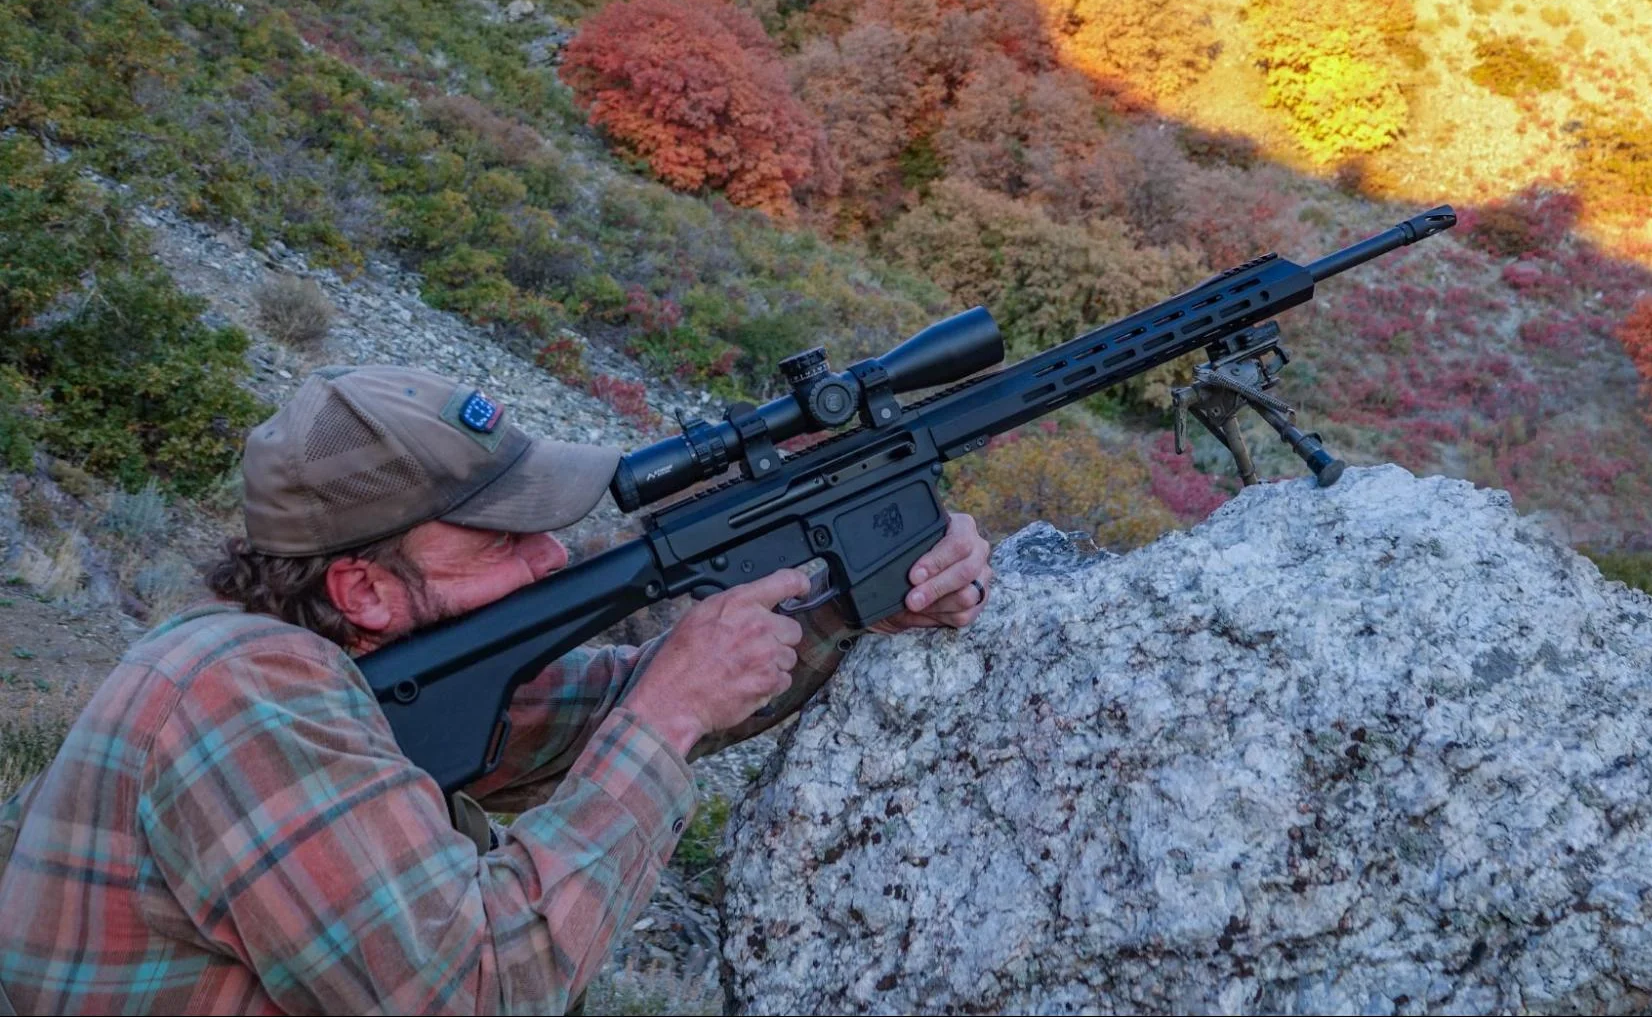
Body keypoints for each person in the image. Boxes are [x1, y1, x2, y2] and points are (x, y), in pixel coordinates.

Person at [0, 365, 993, 1014]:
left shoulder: (336, 675)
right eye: (501, 539)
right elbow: (474, 988)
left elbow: (590, 715)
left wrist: (853, 599)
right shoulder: (244, 693)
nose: (551, 555)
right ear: (363, 588)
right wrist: (670, 714)